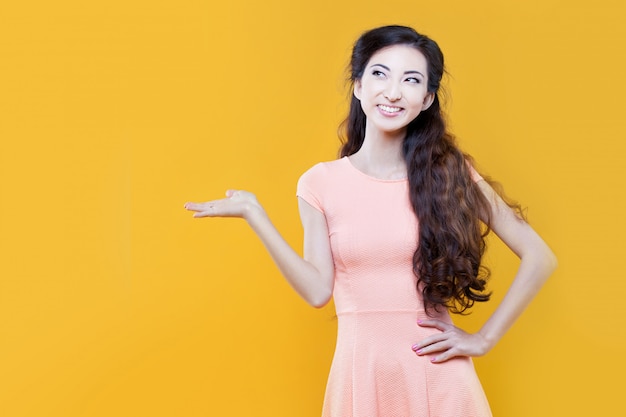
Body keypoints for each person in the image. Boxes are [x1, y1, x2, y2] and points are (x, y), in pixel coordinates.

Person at [184, 25, 557, 417]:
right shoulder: (320, 183)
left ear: (427, 98)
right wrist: (255, 215)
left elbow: (539, 256)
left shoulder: (450, 173)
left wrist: (483, 339)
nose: (393, 92)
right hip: (361, 373)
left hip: (438, 376)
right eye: (380, 74)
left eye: (411, 80)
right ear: (358, 85)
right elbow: (316, 291)